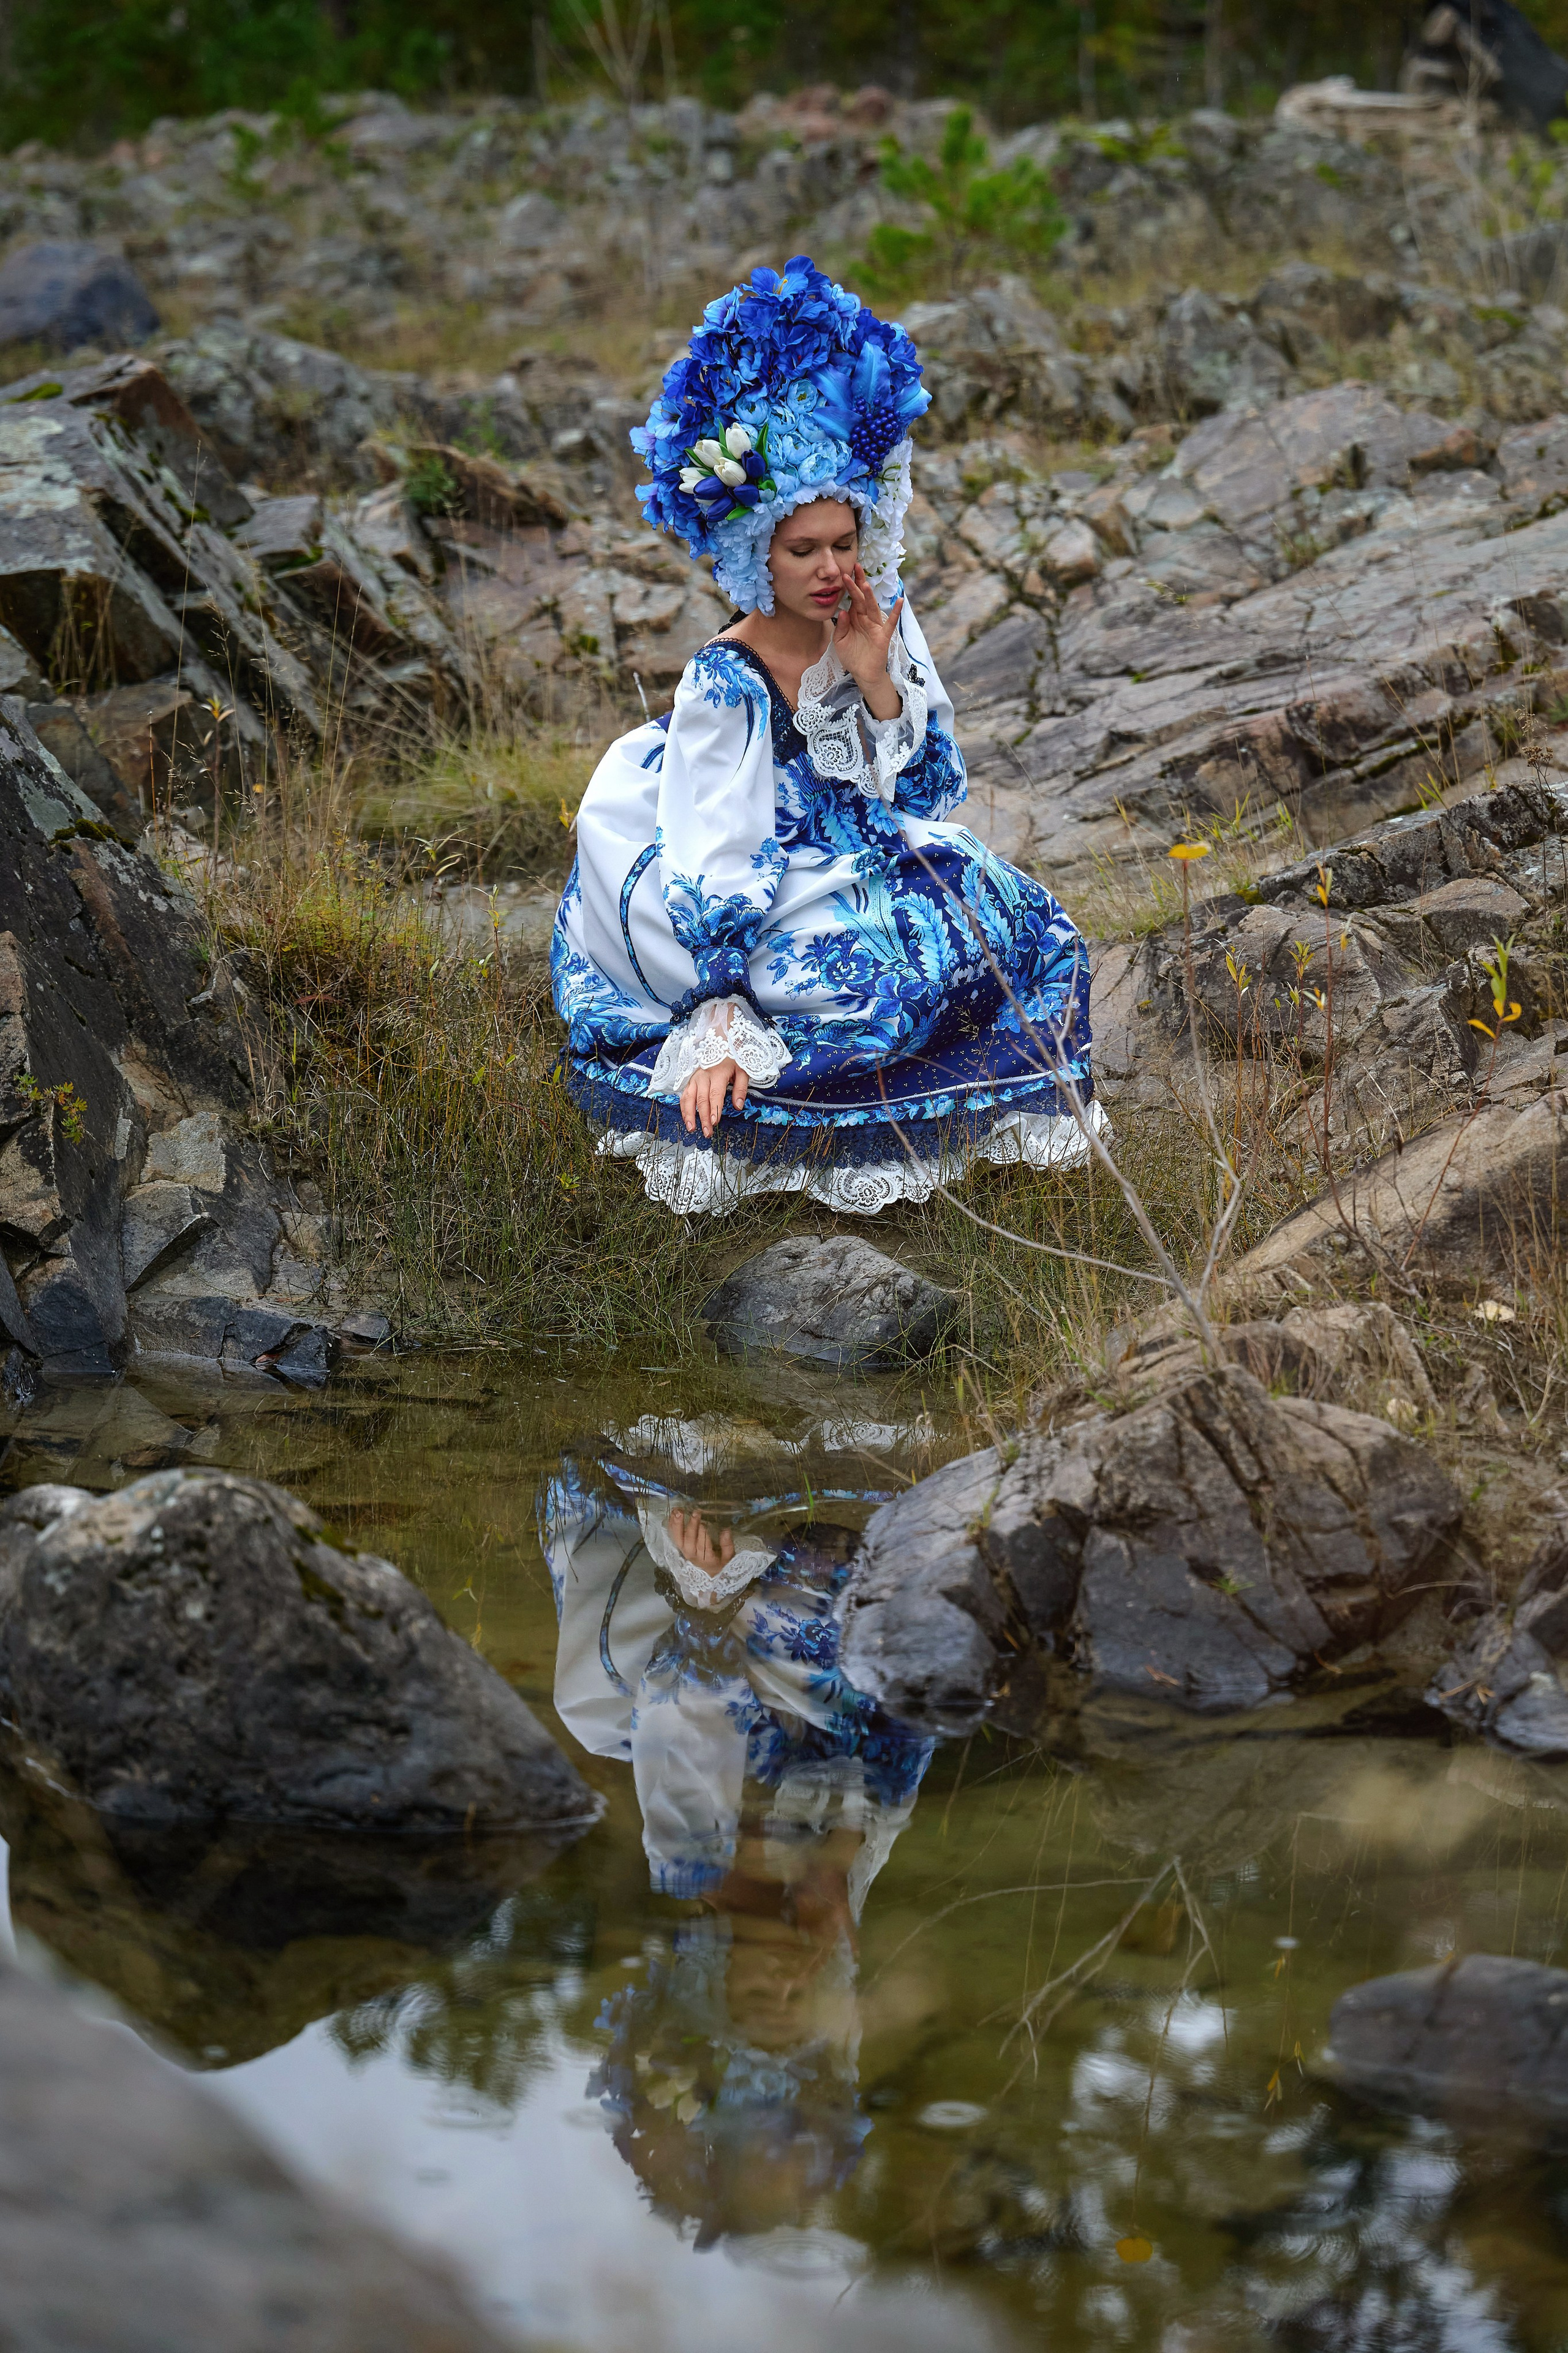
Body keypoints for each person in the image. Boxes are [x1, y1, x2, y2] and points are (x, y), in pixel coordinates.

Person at [551, 255, 1098, 1217]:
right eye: (802, 549)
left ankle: (982, 1109)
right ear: (756, 553)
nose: (829, 568)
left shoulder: (871, 620)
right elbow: (720, 846)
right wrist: (721, 1013)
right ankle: (790, 1106)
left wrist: (875, 676)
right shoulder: (728, 677)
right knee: (869, 985)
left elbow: (927, 792)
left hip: (862, 844)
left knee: (1018, 920)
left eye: (844, 543)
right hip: (761, 872)